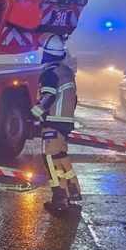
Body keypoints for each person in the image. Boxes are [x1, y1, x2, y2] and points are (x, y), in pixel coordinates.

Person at [31, 34, 82, 214]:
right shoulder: (66, 71)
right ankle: (73, 191)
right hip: (65, 122)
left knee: (51, 159)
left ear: (46, 53)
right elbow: (73, 99)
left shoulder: (50, 73)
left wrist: (32, 115)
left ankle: (59, 198)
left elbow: (48, 97)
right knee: (61, 156)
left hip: (53, 122)